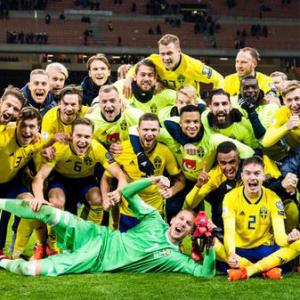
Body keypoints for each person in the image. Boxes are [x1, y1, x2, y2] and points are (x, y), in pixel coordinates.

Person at [0, 177, 216, 278]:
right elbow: (128, 193)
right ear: (172, 219)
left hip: (95, 259)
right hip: (97, 234)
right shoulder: (154, 218)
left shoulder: (175, 258)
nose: (182, 224)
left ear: (189, 233)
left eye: (188, 224)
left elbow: (205, 273)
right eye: (180, 219)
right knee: (46, 211)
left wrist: (211, 245)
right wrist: (152, 180)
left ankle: (2, 262)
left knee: (29, 270)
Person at [184, 141, 299, 233]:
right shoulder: (213, 176)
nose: (228, 167)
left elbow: (278, 185)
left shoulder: (253, 166)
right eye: (223, 163)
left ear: (239, 159)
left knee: (291, 209)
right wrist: (198, 185)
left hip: (259, 211)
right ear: (218, 162)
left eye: (232, 162)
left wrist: (283, 184)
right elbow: (190, 204)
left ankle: (286, 244)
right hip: (231, 219)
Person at [102, 113, 186, 232]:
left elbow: (180, 180)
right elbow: (106, 178)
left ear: (159, 131)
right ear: (137, 130)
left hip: (154, 212)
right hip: (129, 212)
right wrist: (105, 198)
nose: (149, 134)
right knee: (128, 249)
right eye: (145, 129)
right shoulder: (122, 149)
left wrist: (171, 191)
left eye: (153, 130)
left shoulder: (165, 151)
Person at [222, 157, 300, 280]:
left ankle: (248, 270)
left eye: (257, 173)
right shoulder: (230, 197)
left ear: (263, 177)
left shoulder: (273, 198)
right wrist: (232, 254)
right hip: (240, 250)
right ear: (242, 176)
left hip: (264, 250)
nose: (252, 177)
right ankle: (268, 269)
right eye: (248, 173)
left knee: (298, 244)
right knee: (214, 247)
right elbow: (229, 233)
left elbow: (280, 238)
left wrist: (289, 239)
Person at [123, 34, 224, 97]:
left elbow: (218, 78)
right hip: (167, 102)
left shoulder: (193, 66)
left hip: (188, 103)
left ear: (179, 51)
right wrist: (128, 79)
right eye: (162, 54)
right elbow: (137, 67)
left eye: (169, 53)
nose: (166, 58)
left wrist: (217, 99)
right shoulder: (155, 60)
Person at [0, 107, 42, 257]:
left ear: (38, 128)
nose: (27, 131)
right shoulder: (4, 135)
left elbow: (39, 175)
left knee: (32, 206)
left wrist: (39, 197)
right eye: (23, 125)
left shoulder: (38, 143)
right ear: (16, 123)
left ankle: (17, 253)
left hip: (11, 183)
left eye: (32, 127)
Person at [262, 82, 300, 151]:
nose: (294, 104)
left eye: (297, 99)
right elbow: (266, 142)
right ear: (284, 101)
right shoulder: (283, 111)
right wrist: (286, 127)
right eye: (289, 100)